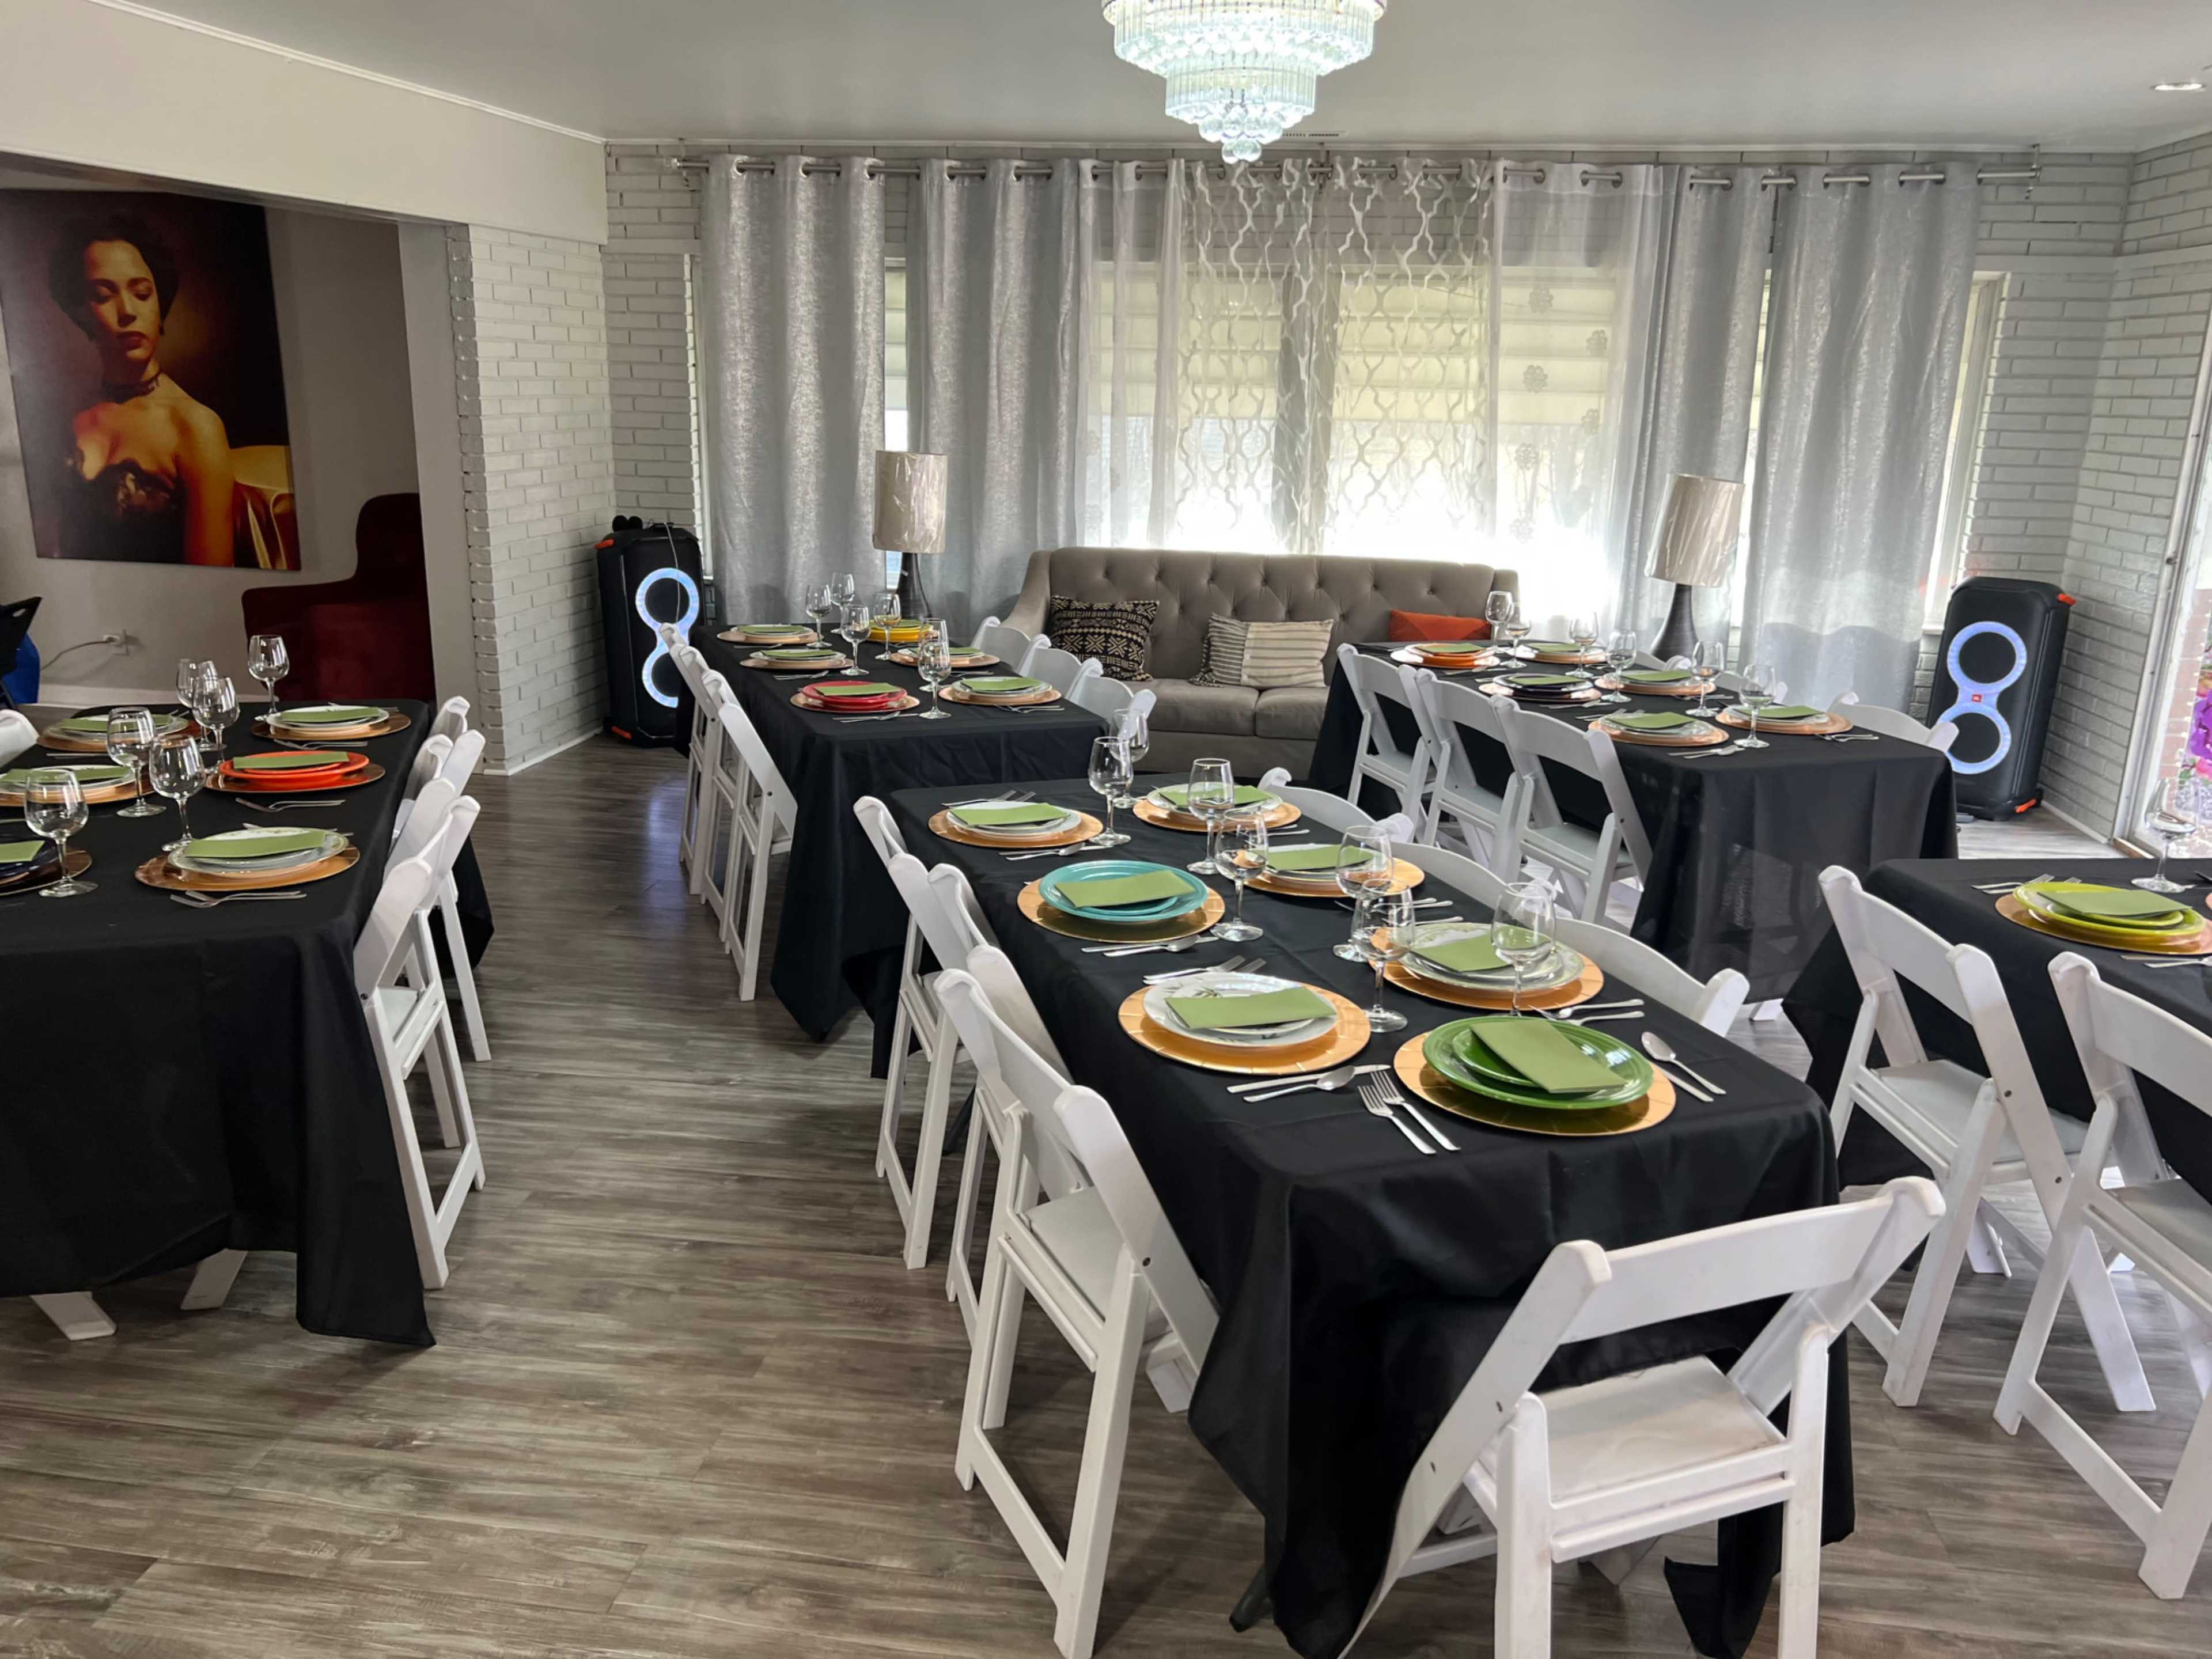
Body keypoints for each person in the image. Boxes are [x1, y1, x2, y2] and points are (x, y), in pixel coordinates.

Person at [46, 213, 234, 566]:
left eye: (143, 293)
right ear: (80, 314)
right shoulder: (68, 416)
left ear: (160, 304)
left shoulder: (195, 427)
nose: (128, 311)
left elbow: (215, 583)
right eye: (103, 295)